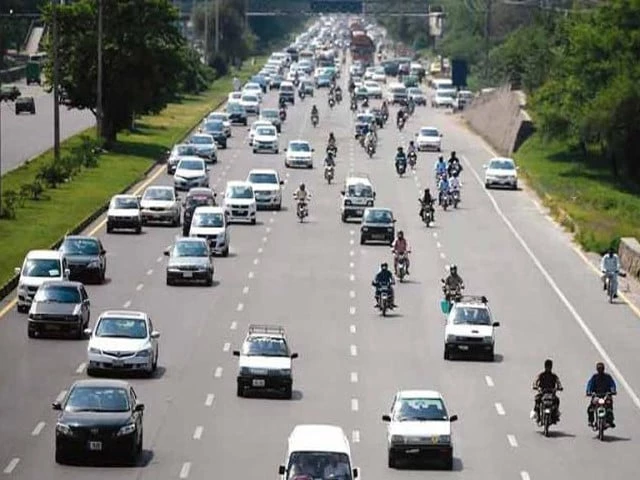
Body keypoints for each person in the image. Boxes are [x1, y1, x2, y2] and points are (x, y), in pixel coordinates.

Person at [586, 362, 617, 428]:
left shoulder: (608, 377)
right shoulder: (594, 377)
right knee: (590, 409)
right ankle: (591, 421)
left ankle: (609, 421)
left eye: (601, 368)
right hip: (596, 396)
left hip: (606, 395)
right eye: (599, 369)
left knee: (609, 407)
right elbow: (590, 385)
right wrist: (589, 392)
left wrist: (613, 391)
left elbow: (612, 384)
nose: (600, 370)